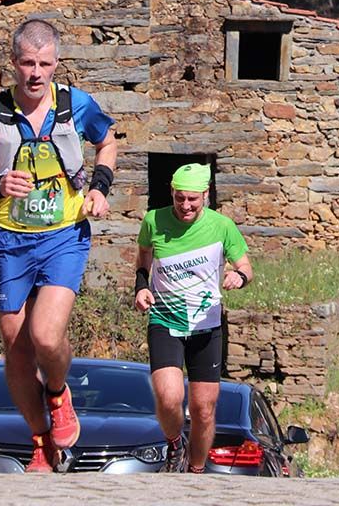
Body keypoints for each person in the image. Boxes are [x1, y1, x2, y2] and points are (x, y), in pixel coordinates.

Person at [0, 19, 117, 472]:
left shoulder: (75, 104)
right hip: (11, 241)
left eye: (44, 64)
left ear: (56, 63)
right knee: (16, 347)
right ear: (14, 62)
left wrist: (99, 188)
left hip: (64, 236)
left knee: (45, 334)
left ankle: (59, 394)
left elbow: (107, 143)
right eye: (28, 63)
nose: (36, 73)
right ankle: (42, 441)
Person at [134, 163, 253, 473]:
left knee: (203, 409)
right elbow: (144, 256)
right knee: (169, 396)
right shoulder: (153, 220)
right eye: (179, 198)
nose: (185, 206)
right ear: (172, 193)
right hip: (165, 319)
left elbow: (246, 267)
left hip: (206, 325)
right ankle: (175, 446)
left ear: (206, 195)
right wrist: (141, 286)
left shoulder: (222, 226)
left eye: (192, 200)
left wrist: (239, 276)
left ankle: (196, 470)